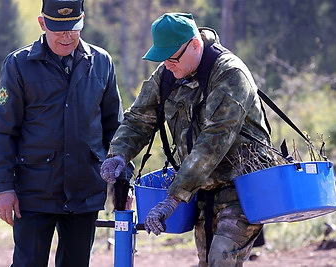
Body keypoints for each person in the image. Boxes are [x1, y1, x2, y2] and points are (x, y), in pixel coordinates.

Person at [100, 12, 275, 266]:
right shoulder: (169, 73)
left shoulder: (230, 74)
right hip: (202, 190)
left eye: (172, 58)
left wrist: (172, 199)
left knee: (221, 260)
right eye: (163, 59)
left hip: (242, 187)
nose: (168, 65)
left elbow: (212, 143)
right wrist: (118, 153)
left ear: (195, 44)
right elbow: (139, 118)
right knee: (206, 262)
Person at [0, 0, 131, 266]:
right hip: (34, 191)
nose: (67, 37)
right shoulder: (19, 65)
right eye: (58, 29)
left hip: (85, 189)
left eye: (73, 28)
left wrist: (122, 181)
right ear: (42, 23)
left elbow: (116, 129)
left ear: (83, 20)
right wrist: (4, 187)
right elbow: (3, 131)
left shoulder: (101, 62)